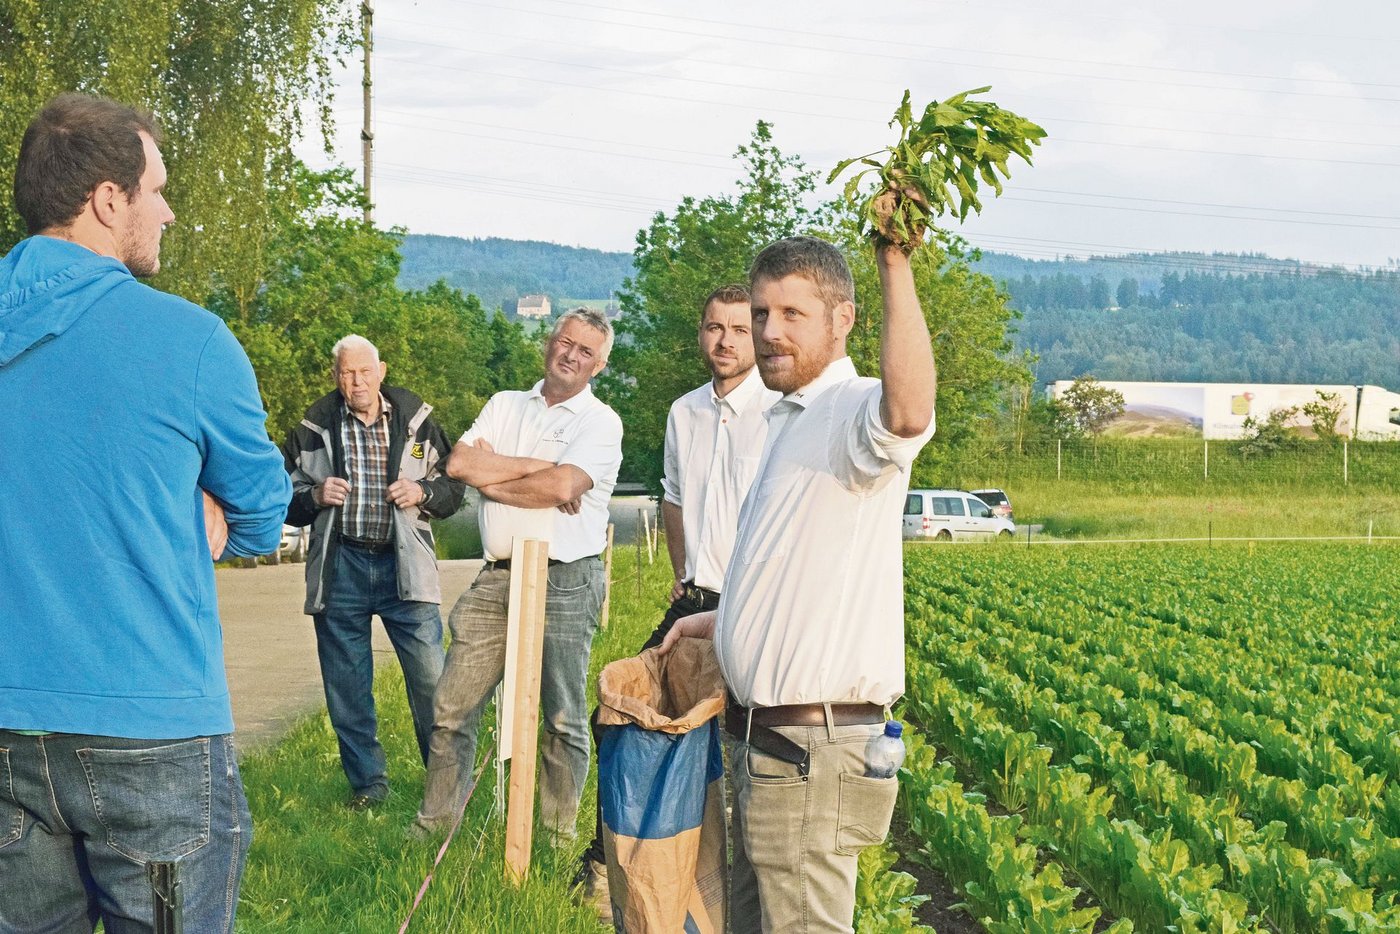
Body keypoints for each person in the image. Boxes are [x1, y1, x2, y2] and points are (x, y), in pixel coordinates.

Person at [0, 94, 291, 933]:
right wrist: (189, 503)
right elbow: (262, 516)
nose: (168, 211)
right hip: (151, 728)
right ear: (107, 199)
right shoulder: (189, 341)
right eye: (156, 190)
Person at [662, 235, 937, 932]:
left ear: (843, 320)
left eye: (792, 314)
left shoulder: (850, 409)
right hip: (771, 751)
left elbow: (908, 414)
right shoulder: (790, 419)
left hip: (812, 751)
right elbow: (792, 570)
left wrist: (895, 263)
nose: (768, 331)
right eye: (761, 313)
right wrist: (721, 622)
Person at [574, 284, 779, 917]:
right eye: (715, 327)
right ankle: (610, 867)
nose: (725, 340)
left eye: (739, 329)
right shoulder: (683, 411)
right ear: (701, 333)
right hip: (693, 599)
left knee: (737, 744)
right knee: (623, 715)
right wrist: (682, 570)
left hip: (749, 605)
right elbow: (674, 497)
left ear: (757, 336)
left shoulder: (777, 411)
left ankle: (726, 884)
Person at [416, 308, 623, 839]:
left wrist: (496, 477)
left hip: (565, 580)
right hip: (496, 576)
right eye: (565, 342)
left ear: (599, 365)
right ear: (549, 342)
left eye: (586, 351)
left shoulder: (600, 422)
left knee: (562, 715)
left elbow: (562, 488)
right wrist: (539, 470)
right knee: (452, 705)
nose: (571, 355)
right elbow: (458, 465)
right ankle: (434, 827)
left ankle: (555, 836)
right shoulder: (504, 404)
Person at [282, 335, 466, 809]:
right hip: (341, 566)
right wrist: (314, 496)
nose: (357, 381)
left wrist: (422, 493)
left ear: (381, 372)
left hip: (404, 567)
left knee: (431, 682)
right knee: (347, 687)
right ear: (335, 376)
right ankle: (368, 785)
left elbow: (453, 486)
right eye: (347, 373)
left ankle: (444, 788)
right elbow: (282, 496)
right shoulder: (313, 427)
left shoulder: (416, 420)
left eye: (365, 371)